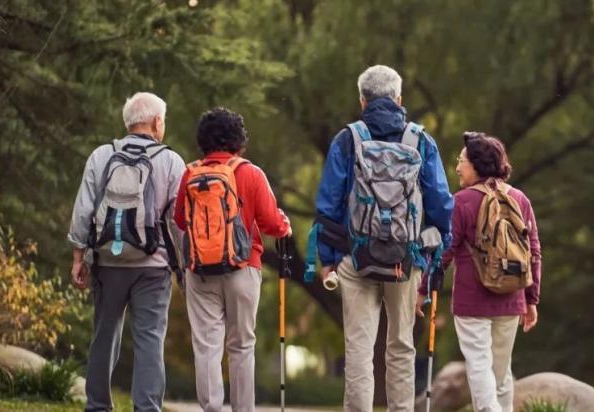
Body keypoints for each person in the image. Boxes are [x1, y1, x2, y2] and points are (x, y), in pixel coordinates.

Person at [308, 65, 454, 411]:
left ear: (362, 101)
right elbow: (441, 208)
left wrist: (327, 260)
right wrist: (431, 265)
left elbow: (328, 204)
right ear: (399, 99)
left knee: (358, 346)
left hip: (354, 257)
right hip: (407, 259)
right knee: (401, 345)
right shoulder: (421, 140)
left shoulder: (347, 138)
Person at [68, 92, 186, 412]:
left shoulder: (102, 155)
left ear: (128, 122)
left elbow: (84, 210)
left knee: (104, 335)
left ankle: (97, 406)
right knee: (149, 339)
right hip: (153, 266)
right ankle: (146, 408)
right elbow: (179, 223)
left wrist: (79, 256)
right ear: (157, 122)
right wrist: (184, 266)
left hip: (107, 261)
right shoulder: (171, 161)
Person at [173, 107, 291, 412]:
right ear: (239, 139)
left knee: (207, 346)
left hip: (200, 271)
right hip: (243, 268)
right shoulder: (250, 173)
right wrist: (285, 224)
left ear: (203, 140)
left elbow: (180, 221)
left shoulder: (190, 173)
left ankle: (211, 408)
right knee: (241, 345)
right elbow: (271, 224)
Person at [417, 131, 542, 412]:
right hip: (512, 298)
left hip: (472, 301)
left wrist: (423, 289)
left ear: (476, 164)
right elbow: (534, 250)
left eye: (461, 161)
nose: (458, 167)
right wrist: (532, 299)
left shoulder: (461, 201)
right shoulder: (520, 199)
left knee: (479, 365)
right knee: (501, 370)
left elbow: (445, 252)